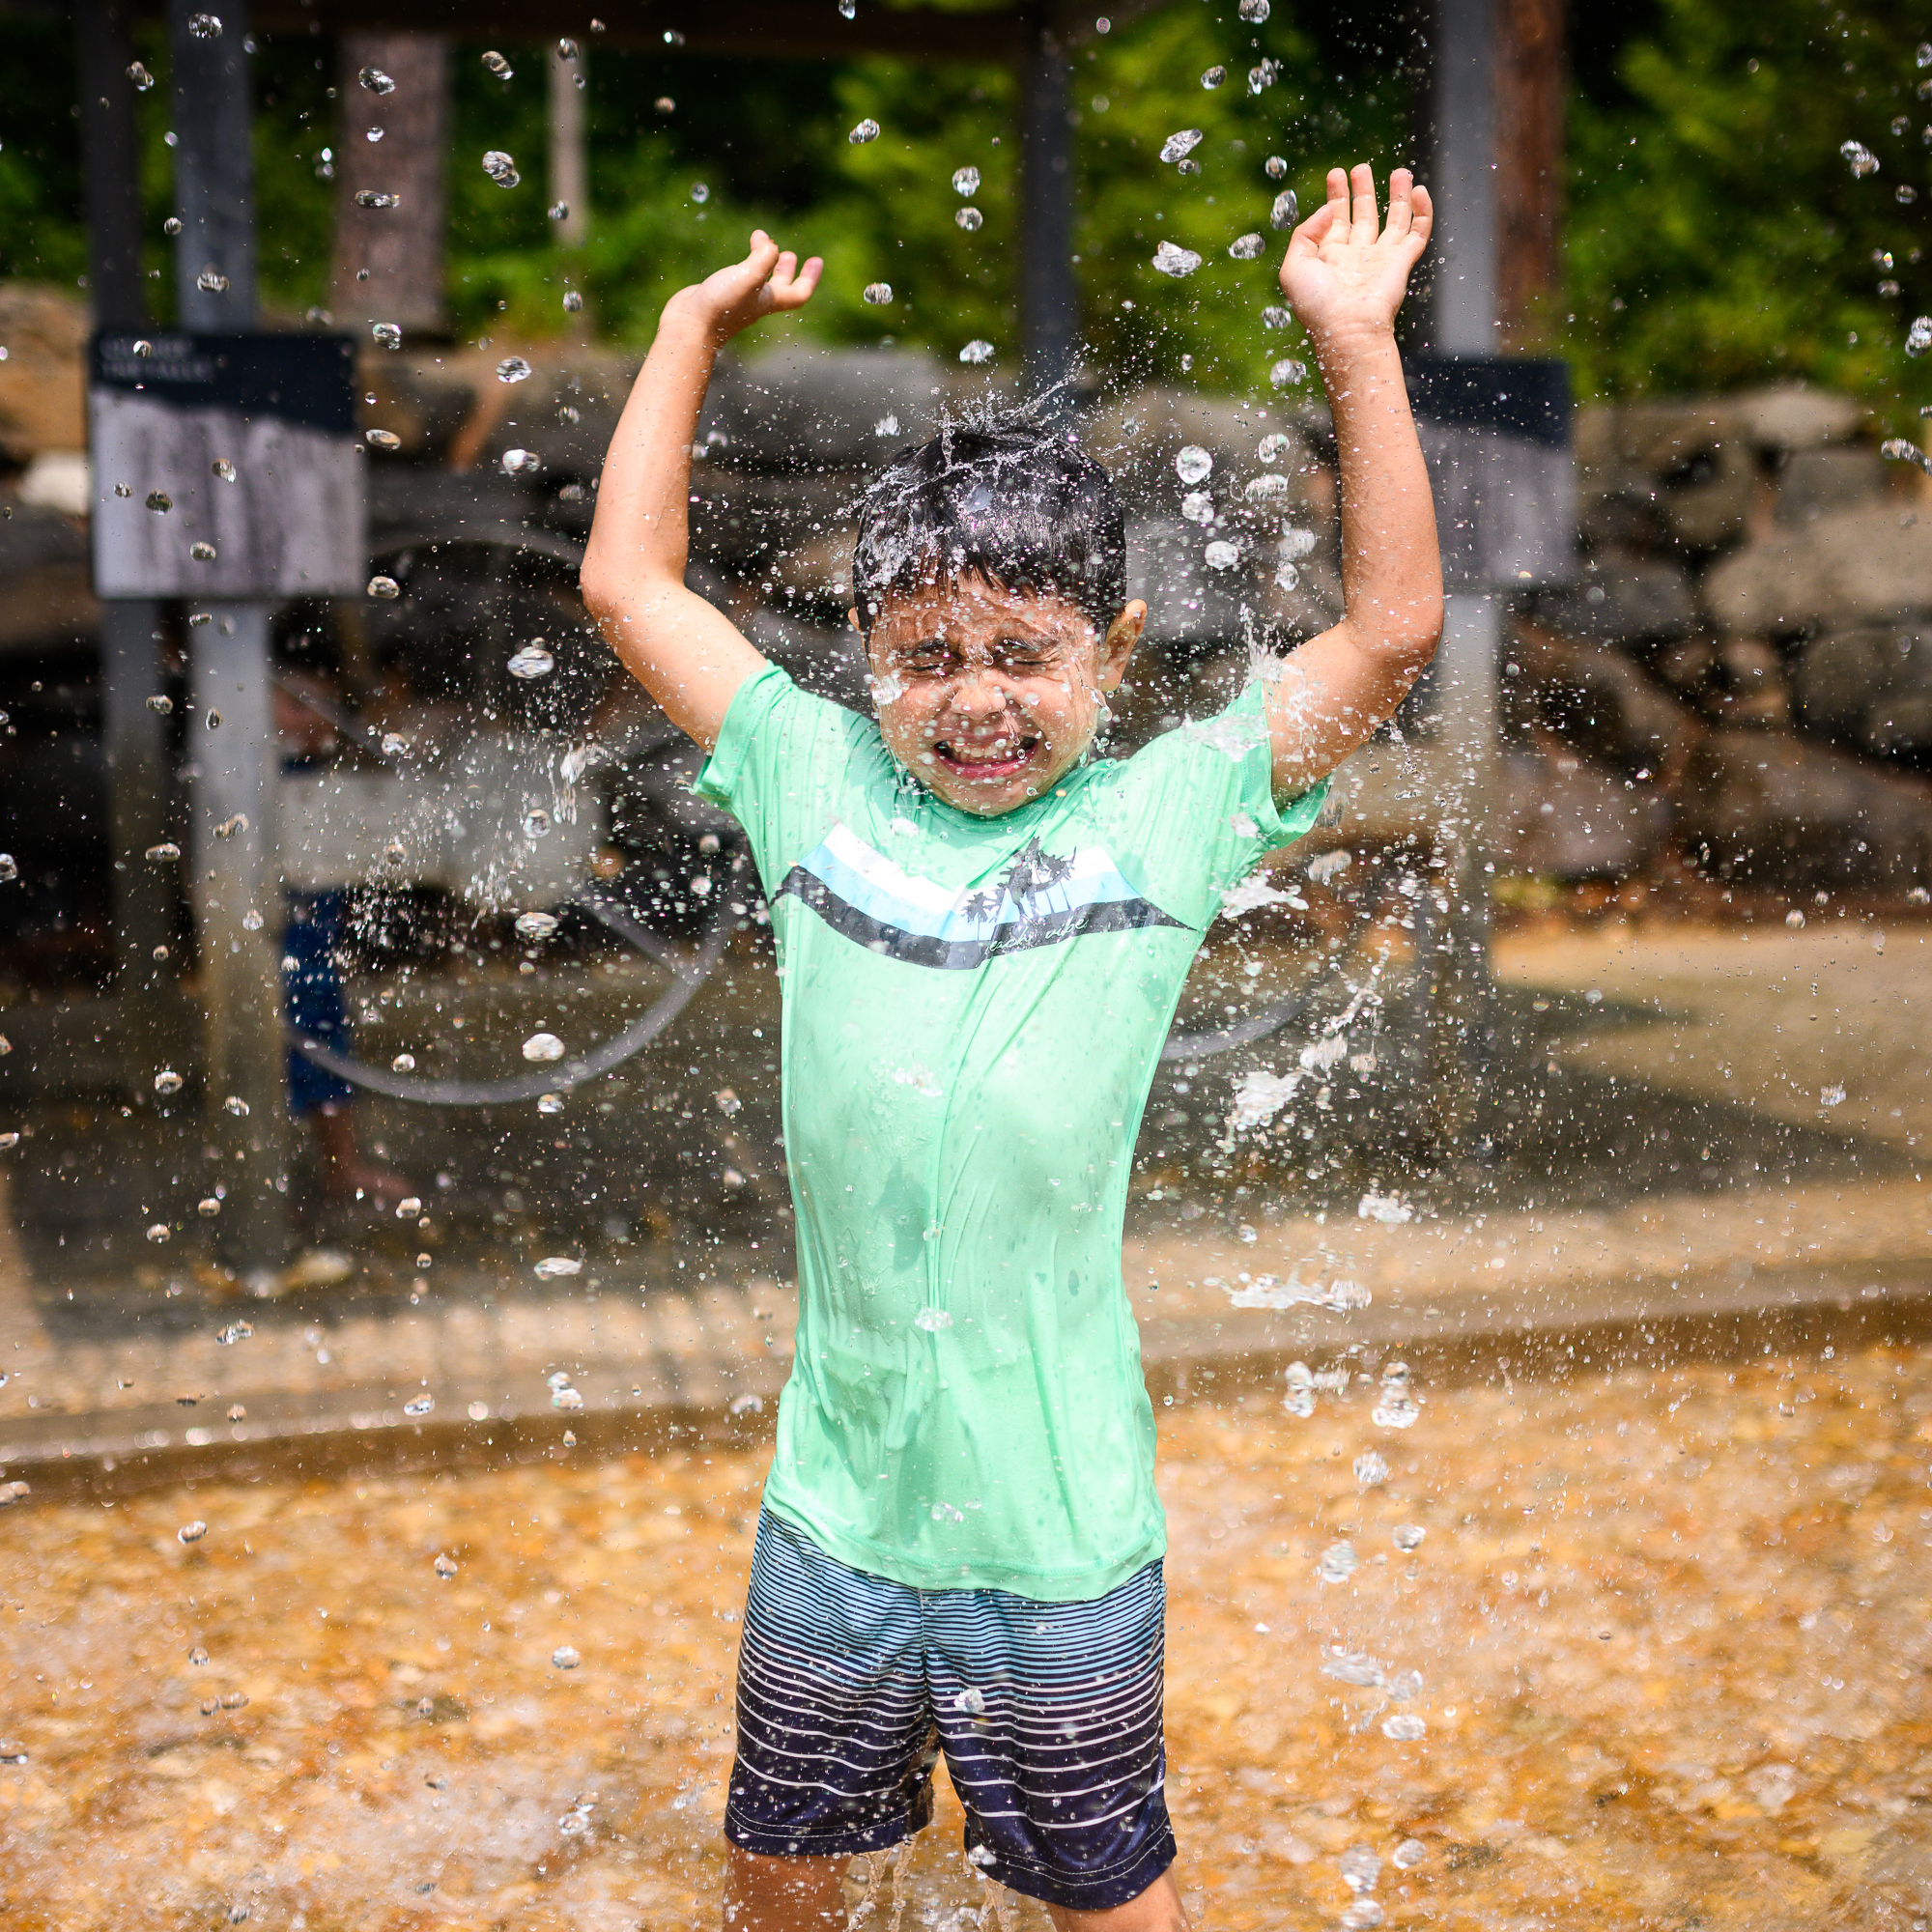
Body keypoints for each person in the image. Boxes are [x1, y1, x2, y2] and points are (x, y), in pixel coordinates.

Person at [582, 164, 1442, 1931]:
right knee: (780, 1880)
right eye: (925, 658)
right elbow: (626, 583)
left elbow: (1392, 635)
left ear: (1116, 654)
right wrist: (682, 333)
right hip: (835, 1511)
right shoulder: (811, 781)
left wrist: (1352, 344)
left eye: (1028, 658)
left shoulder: (1168, 814)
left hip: (1056, 1540)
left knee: (1103, 1897)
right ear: (862, 660)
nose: (976, 699)